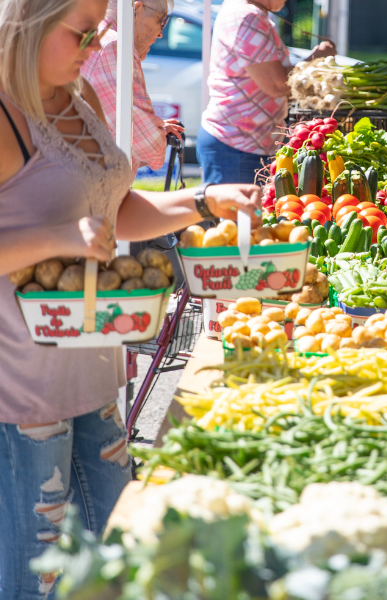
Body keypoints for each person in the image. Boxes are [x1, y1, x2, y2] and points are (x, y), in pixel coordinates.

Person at [0, 0, 261, 597]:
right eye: (83, 32)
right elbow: (75, 227)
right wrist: (61, 238)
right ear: (32, 20)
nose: (97, 45)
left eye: (100, 30)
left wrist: (203, 202)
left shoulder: (81, 96)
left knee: (120, 566)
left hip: (94, 377)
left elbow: (113, 208)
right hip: (20, 397)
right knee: (34, 580)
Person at [198, 0, 336, 185]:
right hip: (238, 145)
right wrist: (315, 60)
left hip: (245, 143)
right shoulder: (247, 17)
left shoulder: (247, 12)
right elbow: (277, 84)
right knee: (243, 214)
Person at [81, 0, 184, 179]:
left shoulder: (97, 35)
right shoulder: (114, 44)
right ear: (136, 8)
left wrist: (155, 128)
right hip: (94, 184)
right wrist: (158, 135)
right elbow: (147, 144)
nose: (160, 33)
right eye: (161, 21)